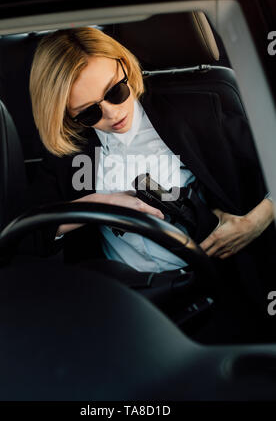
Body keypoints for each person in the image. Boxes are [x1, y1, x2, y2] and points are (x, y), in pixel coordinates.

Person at [26, 26, 276, 312]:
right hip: (123, 299)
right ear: (67, 114)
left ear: (124, 64)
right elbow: (30, 233)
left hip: (214, 286)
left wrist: (255, 221)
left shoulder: (197, 110)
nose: (112, 113)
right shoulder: (67, 149)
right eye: (88, 112)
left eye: (116, 91)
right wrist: (101, 203)